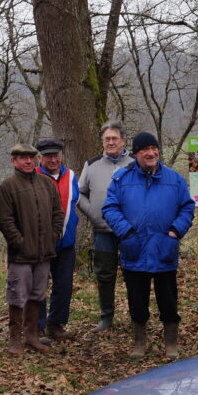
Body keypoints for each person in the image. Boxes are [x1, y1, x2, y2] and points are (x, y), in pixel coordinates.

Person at [103, 131, 195, 360]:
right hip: (134, 250)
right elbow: (110, 208)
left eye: (154, 148)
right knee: (137, 300)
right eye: (145, 150)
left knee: (168, 300)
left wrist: (175, 231)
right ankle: (139, 341)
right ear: (136, 154)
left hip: (164, 249)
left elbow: (187, 207)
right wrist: (127, 232)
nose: (151, 153)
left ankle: (171, 343)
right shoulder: (121, 179)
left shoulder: (174, 179)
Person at [0, 143, 64, 356]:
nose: (27, 161)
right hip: (21, 255)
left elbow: (57, 213)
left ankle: (32, 336)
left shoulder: (46, 183)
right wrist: (20, 242)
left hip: (44, 253)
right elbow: (4, 220)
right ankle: (15, 340)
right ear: (13, 161)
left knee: (37, 295)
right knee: (17, 296)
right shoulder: (8, 186)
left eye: (30, 157)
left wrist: (53, 236)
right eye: (22, 158)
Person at [76, 120, 134, 332]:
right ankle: (106, 316)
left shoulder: (135, 163)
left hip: (130, 231)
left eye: (114, 138)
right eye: (107, 139)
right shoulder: (91, 165)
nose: (110, 142)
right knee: (105, 274)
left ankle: (136, 316)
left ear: (123, 140)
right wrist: (91, 212)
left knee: (134, 274)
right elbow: (79, 192)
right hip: (102, 231)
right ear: (102, 141)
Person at [35, 137, 80, 341]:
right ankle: (38, 327)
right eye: (48, 156)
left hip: (66, 242)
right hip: (41, 244)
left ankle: (56, 324)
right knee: (39, 286)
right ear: (40, 157)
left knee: (63, 285)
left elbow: (76, 201)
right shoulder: (33, 176)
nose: (53, 159)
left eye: (56, 155)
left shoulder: (70, 176)